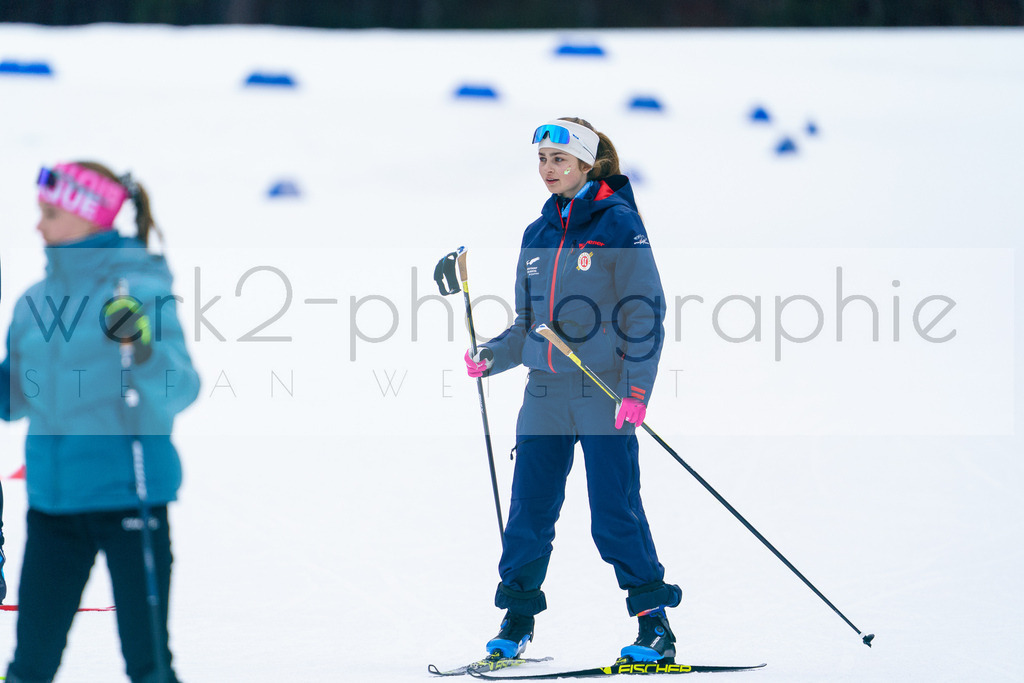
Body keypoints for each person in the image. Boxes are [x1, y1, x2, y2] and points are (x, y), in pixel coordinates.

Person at [464, 118, 681, 663]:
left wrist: (637, 391)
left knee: (614, 511)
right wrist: (491, 355)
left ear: (587, 164)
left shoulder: (618, 224)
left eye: (559, 160)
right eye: (542, 160)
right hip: (544, 395)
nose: (548, 170)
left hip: (603, 392)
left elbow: (644, 312)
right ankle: (515, 621)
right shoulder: (536, 235)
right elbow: (527, 324)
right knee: (529, 513)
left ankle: (653, 623)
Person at [0, 161, 200, 683]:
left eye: (50, 213)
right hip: (53, 506)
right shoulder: (32, 303)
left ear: (90, 220)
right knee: (30, 666)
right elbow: (13, 400)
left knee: (149, 664)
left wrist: (146, 347)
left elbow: (182, 387)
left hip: (129, 500)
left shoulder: (137, 291)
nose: (37, 226)